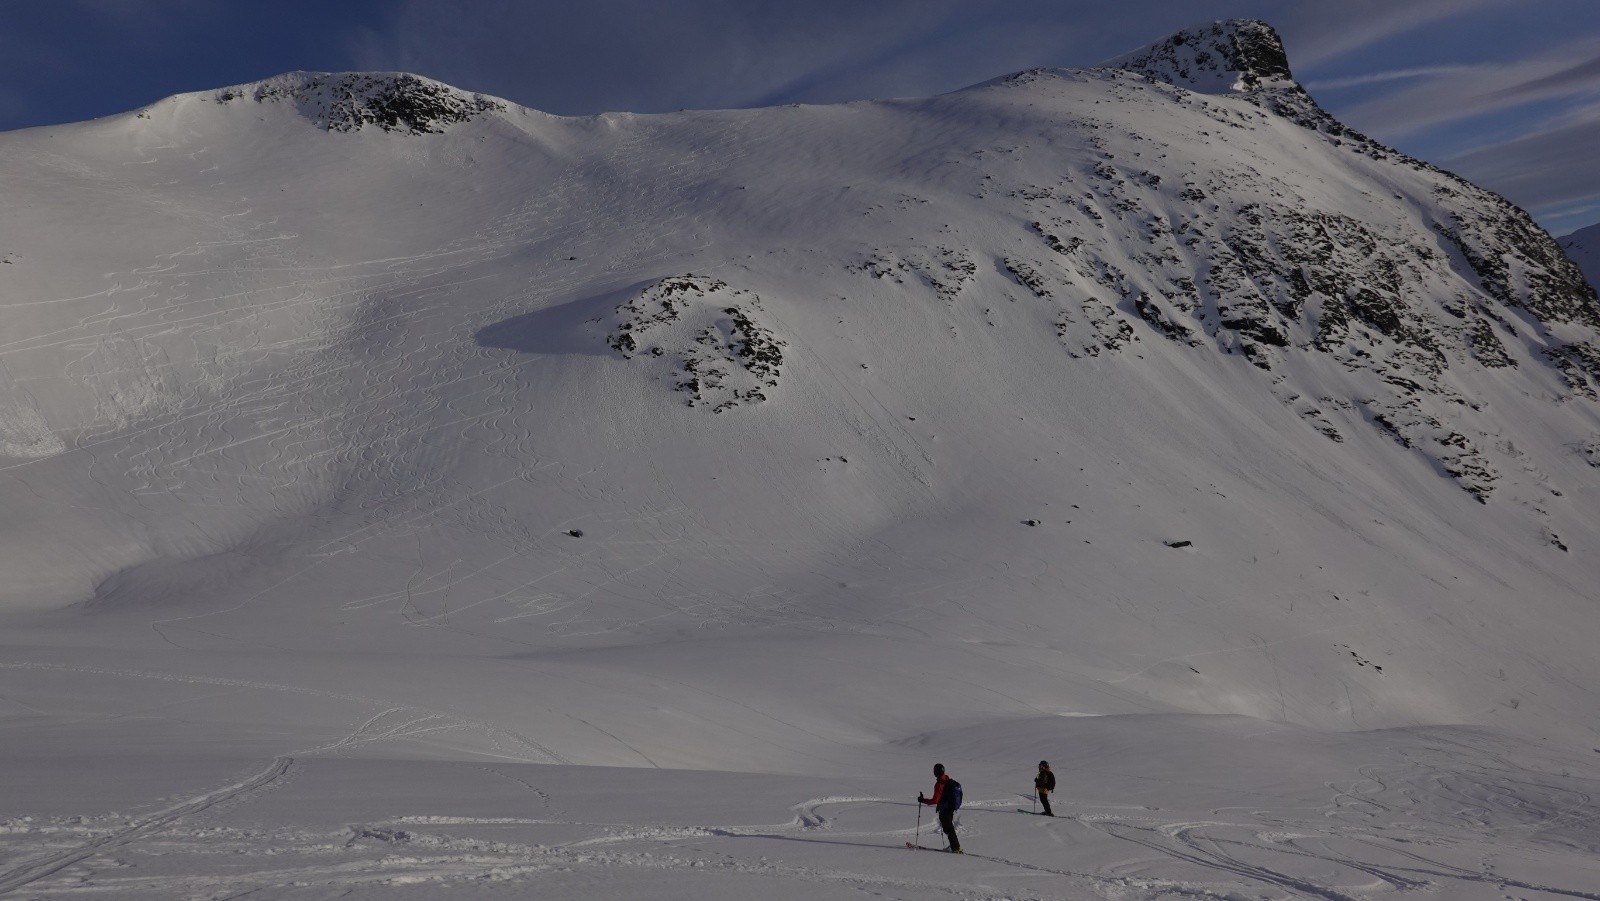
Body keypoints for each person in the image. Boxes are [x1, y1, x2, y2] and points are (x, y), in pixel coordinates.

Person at [918, 762, 962, 852]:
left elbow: (935, 800)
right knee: (948, 828)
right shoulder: (947, 780)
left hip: (946, 809)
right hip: (950, 808)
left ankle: (956, 848)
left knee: (948, 829)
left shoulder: (940, 784)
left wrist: (923, 800)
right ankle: (955, 847)